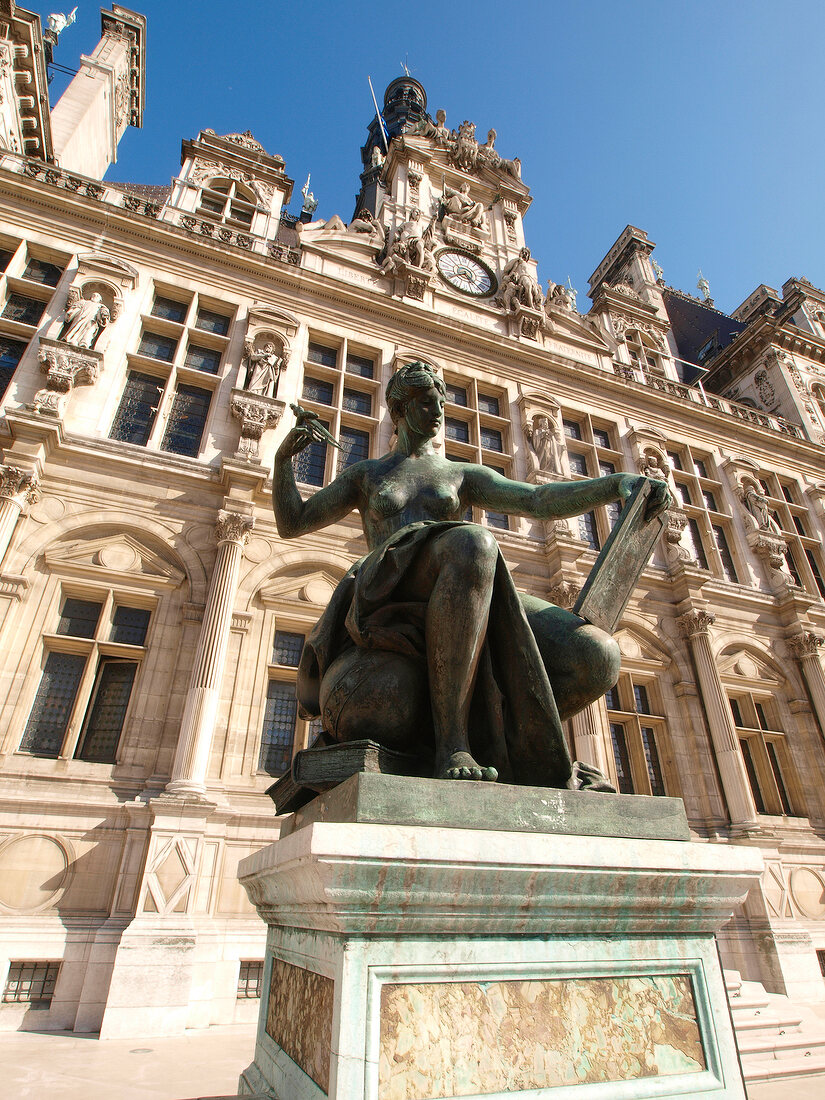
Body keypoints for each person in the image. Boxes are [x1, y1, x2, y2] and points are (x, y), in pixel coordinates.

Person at [272, 361, 669, 786]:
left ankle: (505, 745)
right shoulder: (368, 475)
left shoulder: (460, 474)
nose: (439, 412)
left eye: (442, 401)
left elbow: (538, 500)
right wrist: (283, 462)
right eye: (427, 402)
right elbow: (293, 522)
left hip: (460, 580)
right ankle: (452, 745)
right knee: (474, 541)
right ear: (400, 409)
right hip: (387, 590)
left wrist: (613, 486)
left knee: (597, 655)